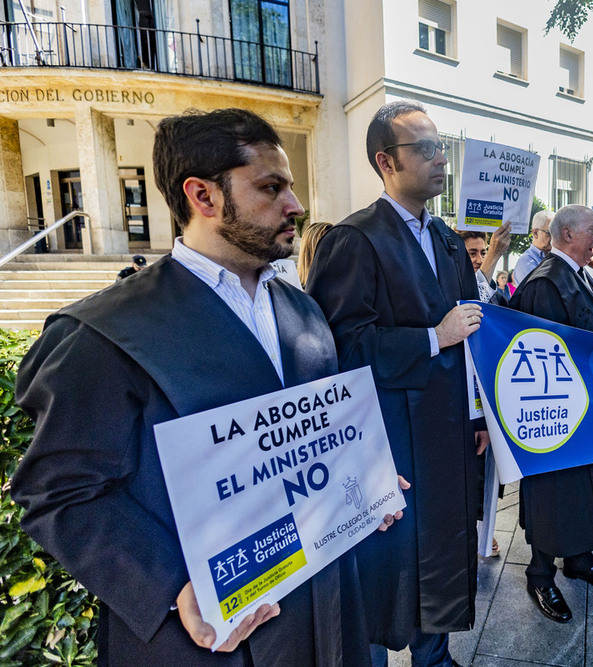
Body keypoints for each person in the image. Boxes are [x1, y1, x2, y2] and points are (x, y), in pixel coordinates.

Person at [11, 108, 383, 665]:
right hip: (206, 638)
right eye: (270, 187)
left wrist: (362, 475)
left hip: (324, 614)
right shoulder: (105, 334)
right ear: (203, 197)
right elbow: (61, 494)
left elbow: (313, 437)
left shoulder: (304, 312)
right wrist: (171, 588)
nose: (296, 205)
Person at [306, 100, 484, 667]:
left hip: (449, 427)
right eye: (425, 149)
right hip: (390, 433)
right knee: (390, 558)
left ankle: (435, 657)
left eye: (441, 147)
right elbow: (340, 345)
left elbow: (471, 333)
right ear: (386, 160)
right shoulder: (355, 239)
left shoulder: (452, 242)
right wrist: (432, 338)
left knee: (445, 545)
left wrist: (478, 414)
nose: (440, 160)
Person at [510, 205, 593, 623]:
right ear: (566, 234)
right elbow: (548, 353)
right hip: (560, 415)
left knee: (585, 490)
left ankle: (579, 561)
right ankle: (540, 574)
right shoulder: (547, 281)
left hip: (589, 407)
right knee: (556, 494)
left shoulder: (579, 274)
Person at [459, 223, 512, 305]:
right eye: (472, 253)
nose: (480, 260)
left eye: (483, 253)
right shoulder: (451, 293)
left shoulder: (497, 297)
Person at [512, 209, 554, 285]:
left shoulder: (554, 257)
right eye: (550, 233)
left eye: (556, 232)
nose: (554, 237)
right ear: (535, 233)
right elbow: (540, 292)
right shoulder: (526, 262)